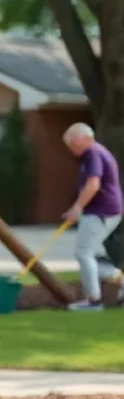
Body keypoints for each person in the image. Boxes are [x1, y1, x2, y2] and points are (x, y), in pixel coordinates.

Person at [61, 123, 124, 311]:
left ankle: (93, 300)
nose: (70, 147)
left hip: (101, 212)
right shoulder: (93, 153)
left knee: (83, 252)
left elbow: (93, 185)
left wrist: (76, 208)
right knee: (89, 254)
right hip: (104, 211)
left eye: (72, 142)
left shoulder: (93, 154)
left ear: (85, 138)